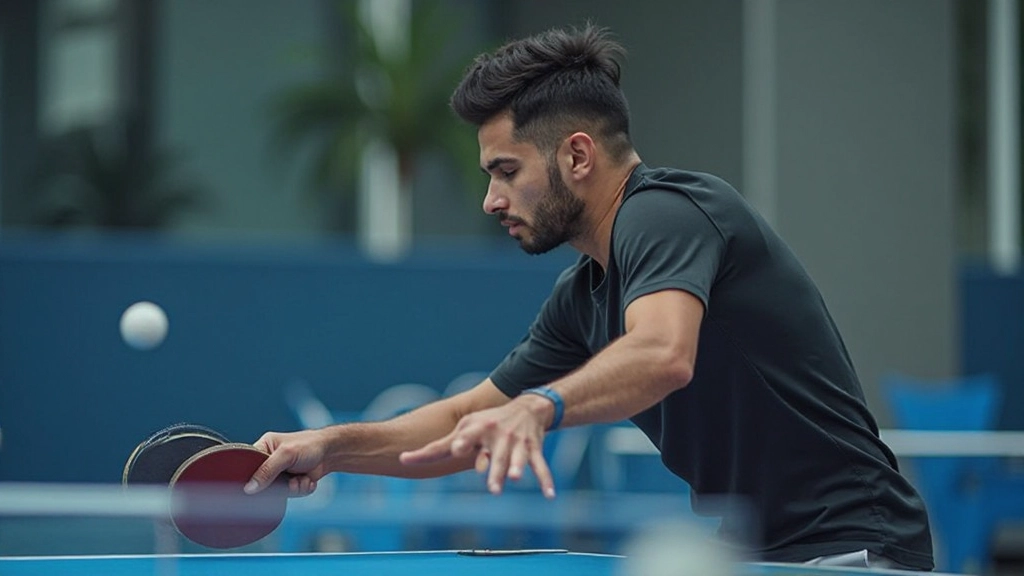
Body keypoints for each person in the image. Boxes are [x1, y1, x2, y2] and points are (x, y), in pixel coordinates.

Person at [246, 24, 934, 570]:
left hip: (852, 548)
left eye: (506, 171)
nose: (490, 199)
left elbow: (665, 353)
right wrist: (329, 449)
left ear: (577, 156)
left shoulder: (667, 213)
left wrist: (541, 407)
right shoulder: (583, 296)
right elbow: (463, 423)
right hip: (760, 553)